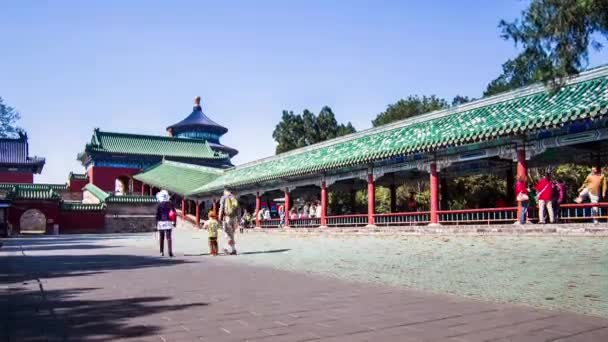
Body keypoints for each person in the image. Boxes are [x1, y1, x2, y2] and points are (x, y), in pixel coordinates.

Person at [155, 190, 176, 257]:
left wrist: (156, 223)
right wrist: (174, 222)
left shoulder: (159, 205)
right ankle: (170, 251)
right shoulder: (170, 204)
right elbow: (174, 213)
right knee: (169, 237)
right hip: (168, 221)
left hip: (161, 222)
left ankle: (161, 251)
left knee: (161, 237)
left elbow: (157, 215)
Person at [219, 188, 239, 255]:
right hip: (235, 218)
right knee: (232, 234)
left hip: (227, 217)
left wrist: (219, 217)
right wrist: (238, 218)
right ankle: (234, 250)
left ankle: (226, 248)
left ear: (225, 191)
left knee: (227, 233)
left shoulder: (224, 197)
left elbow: (221, 208)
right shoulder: (233, 197)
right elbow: (238, 209)